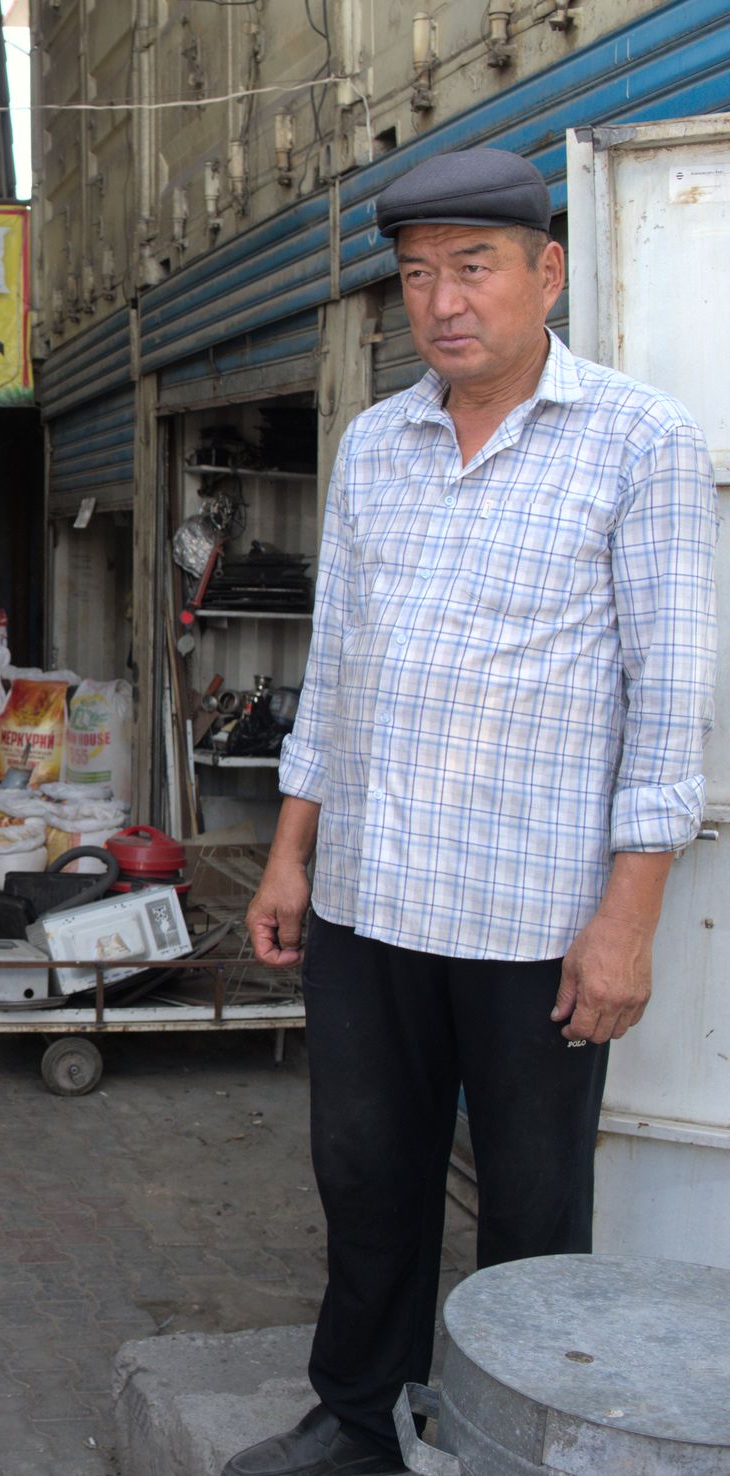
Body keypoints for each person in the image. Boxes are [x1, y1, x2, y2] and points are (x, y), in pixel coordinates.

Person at [228, 148, 717, 1476]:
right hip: (370, 904)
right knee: (368, 1181)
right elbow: (336, 672)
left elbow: (671, 703)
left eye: (475, 266)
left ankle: (512, 1440)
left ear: (545, 272)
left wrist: (629, 921)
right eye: (419, 273)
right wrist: (288, 859)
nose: (442, 301)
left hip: (534, 917)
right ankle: (359, 1416)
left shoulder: (641, 440)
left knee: (533, 1208)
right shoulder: (374, 443)